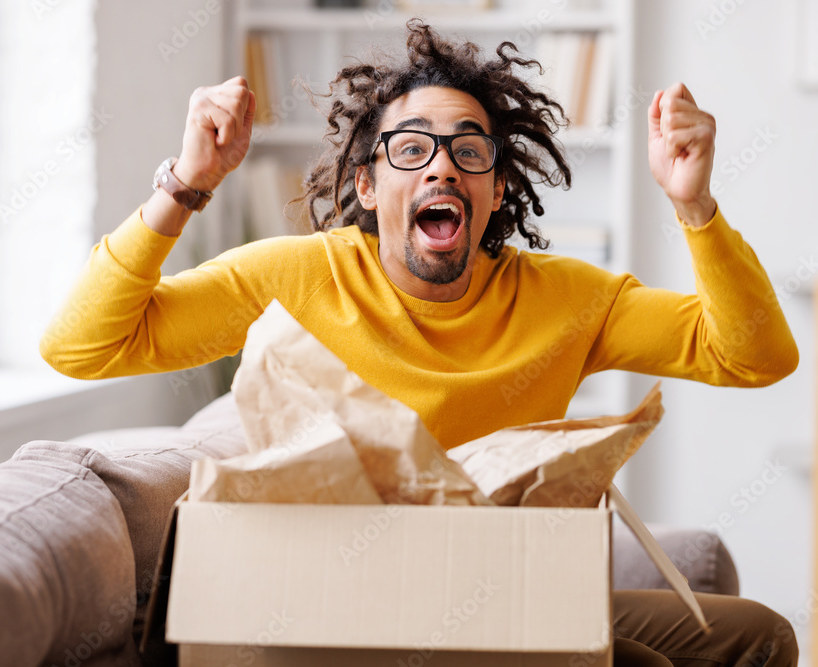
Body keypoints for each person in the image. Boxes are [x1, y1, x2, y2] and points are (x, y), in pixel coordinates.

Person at [40, 20, 799, 667]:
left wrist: (694, 205)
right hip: (339, 609)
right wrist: (183, 186)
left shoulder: (571, 298)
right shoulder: (296, 274)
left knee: (757, 636)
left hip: (503, 592)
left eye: (471, 150)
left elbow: (753, 355)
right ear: (368, 186)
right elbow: (82, 346)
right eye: (411, 148)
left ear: (498, 187)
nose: (442, 163)